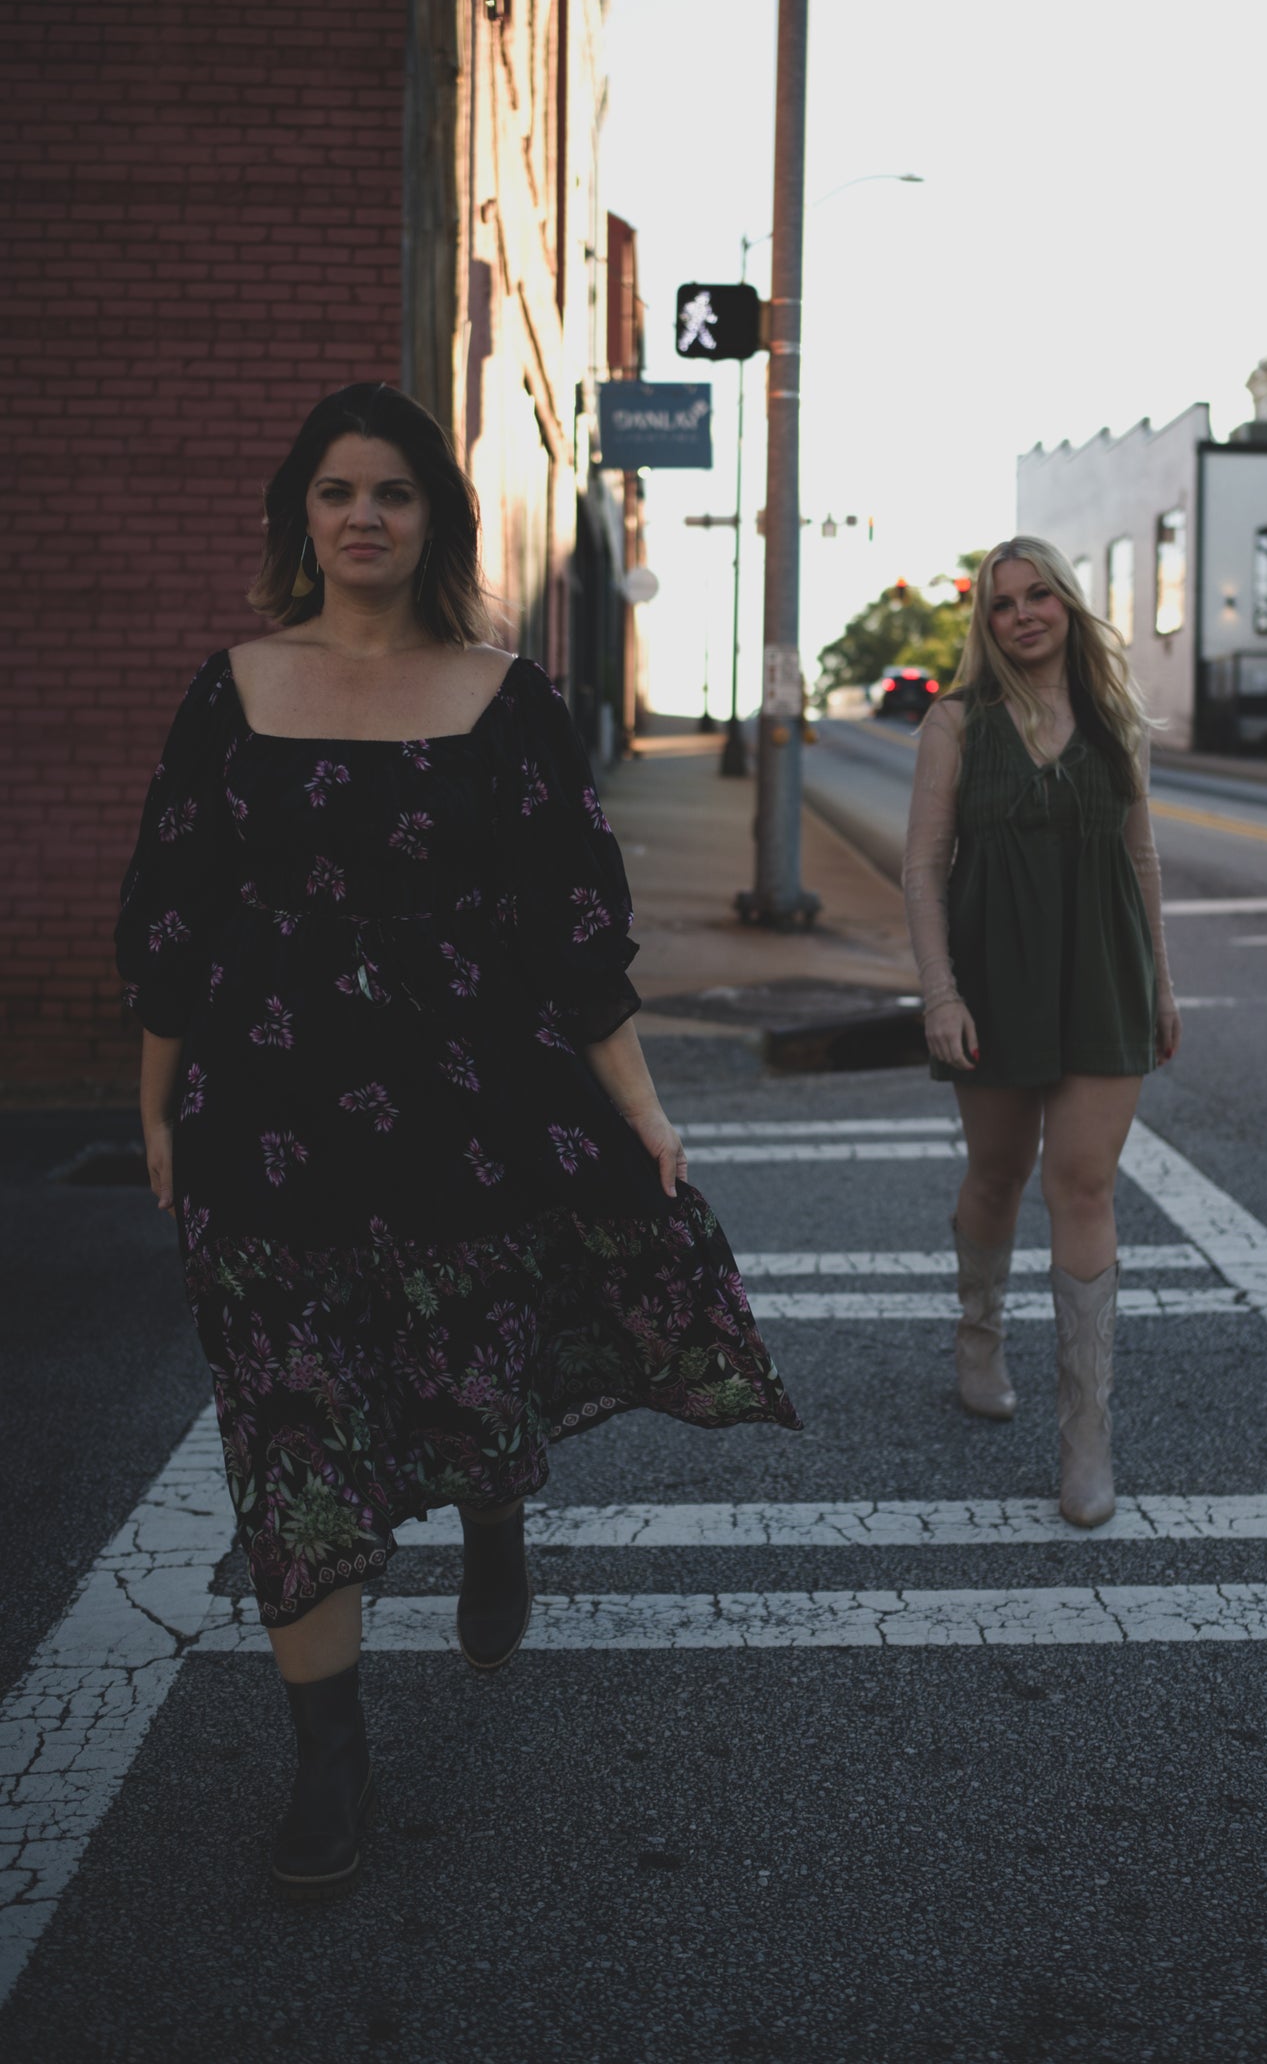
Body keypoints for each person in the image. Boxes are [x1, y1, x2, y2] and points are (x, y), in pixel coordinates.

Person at [116, 382, 800, 1899]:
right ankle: (330, 1766)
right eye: (337, 490)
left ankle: (496, 1515)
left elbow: (574, 929)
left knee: (467, 1378)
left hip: (468, 1109)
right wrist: (155, 1099)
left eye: (394, 493)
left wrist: (643, 1110)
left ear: (435, 519)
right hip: (265, 1117)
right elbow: (174, 909)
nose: (363, 514)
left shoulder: (506, 696)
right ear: (302, 514)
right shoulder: (229, 689)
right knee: (289, 1421)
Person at [902, 535, 1179, 1528]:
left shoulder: (1114, 721)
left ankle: (1084, 1437)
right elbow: (924, 865)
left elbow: (1137, 857)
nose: (1021, 613)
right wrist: (940, 992)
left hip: (1103, 974)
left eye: (1037, 595)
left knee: (1085, 1182)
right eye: (1001, 601)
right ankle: (978, 1333)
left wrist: (1160, 984)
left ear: (1065, 602)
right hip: (994, 976)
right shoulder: (954, 722)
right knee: (996, 1173)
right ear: (985, 620)